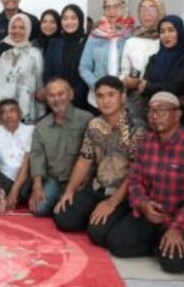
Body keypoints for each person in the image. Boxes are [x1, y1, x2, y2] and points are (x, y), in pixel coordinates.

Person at [108, 92, 184, 274]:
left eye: (162, 111)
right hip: (150, 215)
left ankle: (168, 245)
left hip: (180, 219)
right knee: (116, 243)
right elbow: (135, 180)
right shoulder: (145, 142)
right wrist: (143, 204)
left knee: (174, 264)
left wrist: (177, 228)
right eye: (151, 111)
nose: (155, 116)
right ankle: (157, 245)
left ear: (177, 114)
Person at [53, 77, 146, 243]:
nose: (106, 101)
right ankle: (96, 215)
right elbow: (84, 160)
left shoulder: (137, 129)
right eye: (100, 96)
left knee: (97, 233)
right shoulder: (94, 124)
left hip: (122, 195)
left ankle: (112, 219)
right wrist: (69, 190)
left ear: (123, 97)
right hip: (98, 188)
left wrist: (112, 202)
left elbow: (135, 173)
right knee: (63, 217)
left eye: (111, 95)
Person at [28, 78, 93, 216]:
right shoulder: (41, 127)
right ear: (46, 99)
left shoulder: (87, 119)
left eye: (60, 94)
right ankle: (58, 200)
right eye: (51, 95)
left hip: (81, 181)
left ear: (71, 94)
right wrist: (37, 186)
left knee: (69, 214)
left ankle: (62, 203)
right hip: (55, 181)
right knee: (39, 209)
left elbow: (92, 157)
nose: (56, 99)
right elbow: (37, 157)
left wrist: (85, 179)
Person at [0, 13, 43, 128]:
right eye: (14, 27)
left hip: (25, 104)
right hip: (0, 103)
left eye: (22, 28)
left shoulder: (35, 54)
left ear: (28, 29)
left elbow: (40, 81)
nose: (17, 31)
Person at [139, 15, 184, 130]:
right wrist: (154, 87)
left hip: (181, 118)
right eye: (162, 31)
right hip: (154, 117)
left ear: (180, 32)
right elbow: (143, 91)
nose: (166, 35)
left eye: (171, 30)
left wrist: (150, 86)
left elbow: (177, 87)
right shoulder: (154, 59)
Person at [79, 0, 135, 112]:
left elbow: (134, 69)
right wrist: (98, 87)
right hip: (97, 100)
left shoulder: (131, 36)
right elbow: (84, 67)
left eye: (116, 6)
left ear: (123, 8)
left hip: (123, 99)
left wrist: (119, 88)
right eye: (107, 7)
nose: (111, 11)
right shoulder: (95, 35)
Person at [0, 99, 33, 212]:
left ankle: (4, 197)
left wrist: (14, 191)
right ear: (0, 117)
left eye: (12, 110)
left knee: (32, 172)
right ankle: (2, 195)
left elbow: (27, 163)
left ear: (20, 113)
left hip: (24, 180)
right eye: (4, 112)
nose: (8, 115)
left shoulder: (30, 131)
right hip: (4, 180)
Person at [120, 0, 164, 121]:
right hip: (136, 100)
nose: (146, 13)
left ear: (160, 12)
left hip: (161, 99)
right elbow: (124, 73)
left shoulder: (166, 38)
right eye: (143, 9)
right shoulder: (131, 41)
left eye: (151, 8)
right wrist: (128, 80)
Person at [43, 4, 90, 111]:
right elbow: (47, 72)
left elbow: (88, 72)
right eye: (65, 18)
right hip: (56, 101)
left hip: (82, 102)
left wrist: (74, 95)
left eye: (73, 18)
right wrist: (57, 94)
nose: (69, 22)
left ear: (80, 20)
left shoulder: (88, 42)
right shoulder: (54, 42)